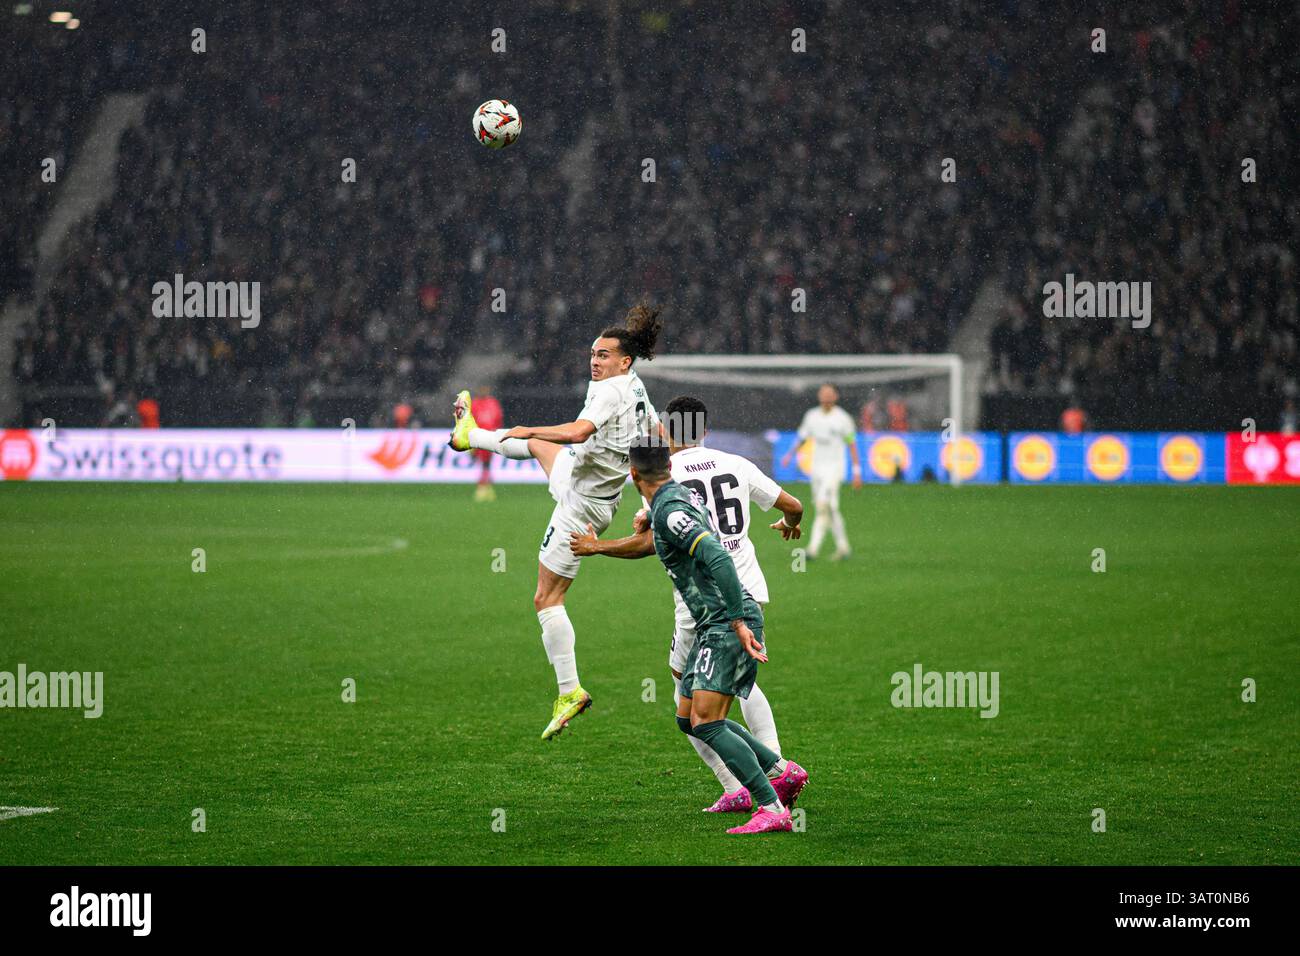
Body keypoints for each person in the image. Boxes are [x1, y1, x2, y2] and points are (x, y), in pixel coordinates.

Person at [570, 395, 807, 814]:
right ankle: (773, 765)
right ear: (705, 430)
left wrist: (596, 546)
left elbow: (654, 541)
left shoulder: (662, 473)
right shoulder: (735, 462)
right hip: (748, 584)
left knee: (694, 696)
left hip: (701, 597)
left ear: (665, 430)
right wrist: (789, 525)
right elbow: (793, 506)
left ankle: (744, 782)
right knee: (735, 681)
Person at [449, 305, 663, 740]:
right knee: (538, 450)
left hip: (580, 506)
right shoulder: (635, 387)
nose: (595, 360)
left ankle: (570, 690)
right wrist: (651, 497)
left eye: (604, 355)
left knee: (546, 599)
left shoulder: (611, 391)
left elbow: (578, 432)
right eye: (593, 353)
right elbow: (655, 436)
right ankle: (468, 436)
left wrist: (533, 426)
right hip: (592, 485)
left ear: (624, 360)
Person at [625, 434, 806, 834]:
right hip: (739, 596)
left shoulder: (669, 496)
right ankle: (780, 769)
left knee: (705, 715)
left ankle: (763, 798)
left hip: (717, 608)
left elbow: (704, 551)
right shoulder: (730, 465)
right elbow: (794, 507)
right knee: (695, 712)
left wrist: (739, 621)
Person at [781, 383, 861, 560]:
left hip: (835, 468)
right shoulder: (812, 416)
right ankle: (843, 547)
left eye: (829, 393)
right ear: (819, 396)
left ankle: (812, 549)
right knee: (830, 508)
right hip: (817, 469)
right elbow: (802, 438)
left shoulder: (843, 418)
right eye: (823, 393)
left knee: (823, 505)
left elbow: (852, 443)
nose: (826, 397)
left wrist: (856, 470)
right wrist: (789, 455)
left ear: (835, 396)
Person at [470, 388, 504, 502]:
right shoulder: (475, 404)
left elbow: (498, 419)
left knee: (486, 464)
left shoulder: (493, 403)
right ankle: (485, 487)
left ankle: (484, 488)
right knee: (483, 463)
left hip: (490, 436)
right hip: (478, 436)